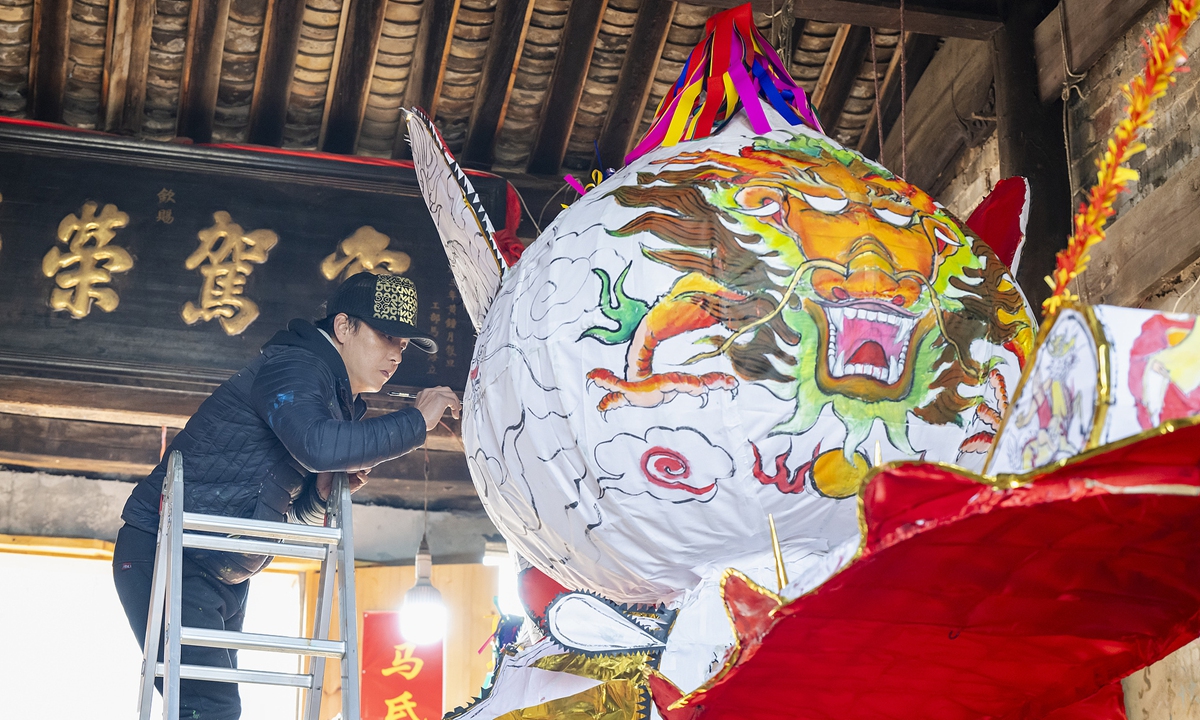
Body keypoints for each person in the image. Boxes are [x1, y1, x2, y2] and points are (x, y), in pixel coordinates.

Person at [112, 272, 462, 719]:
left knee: (209, 706)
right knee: (209, 707)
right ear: (342, 328)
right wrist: (416, 421)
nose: (396, 353)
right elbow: (317, 444)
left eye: (404, 343)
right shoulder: (296, 366)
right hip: (168, 551)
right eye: (387, 335)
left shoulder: (331, 396)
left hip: (220, 565)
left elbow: (287, 505)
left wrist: (317, 498)